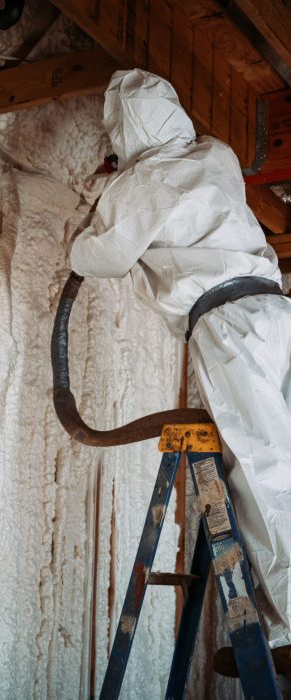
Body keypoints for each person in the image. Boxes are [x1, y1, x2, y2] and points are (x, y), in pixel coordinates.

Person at [70, 69, 291, 656]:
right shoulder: (214, 154)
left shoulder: (140, 184)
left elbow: (102, 256)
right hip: (276, 310)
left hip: (228, 326)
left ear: (121, 131)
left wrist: (92, 218)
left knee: (261, 467)